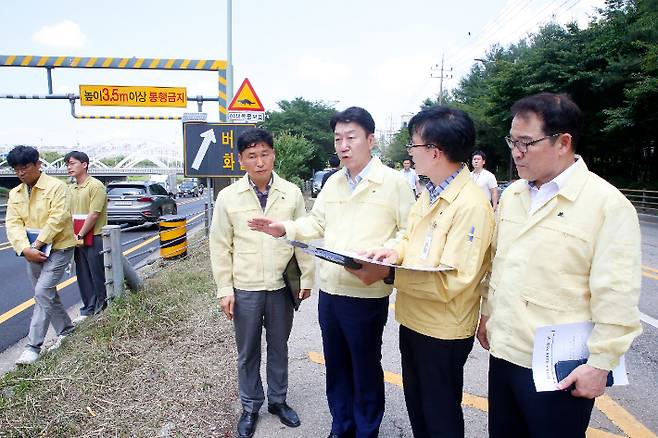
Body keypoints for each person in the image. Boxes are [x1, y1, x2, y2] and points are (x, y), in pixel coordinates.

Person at [477, 92, 642, 438]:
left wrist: (600, 364)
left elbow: (617, 295)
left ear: (563, 142)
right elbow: (499, 263)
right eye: (512, 141)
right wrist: (487, 314)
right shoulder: (514, 196)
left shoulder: (607, 205)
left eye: (526, 142)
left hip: (560, 369)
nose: (515, 152)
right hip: (505, 355)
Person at [248, 107, 414, 438]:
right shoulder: (334, 182)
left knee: (365, 366)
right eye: (338, 138)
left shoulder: (394, 183)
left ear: (371, 140)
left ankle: (366, 430)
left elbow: (410, 233)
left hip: (366, 292)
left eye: (351, 137)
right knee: (336, 366)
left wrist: (389, 255)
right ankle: (341, 427)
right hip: (332, 292)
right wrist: (284, 227)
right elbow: (316, 223)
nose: (343, 145)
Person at [357, 106, 494, 437]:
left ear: (434, 152)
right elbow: (409, 238)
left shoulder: (471, 205)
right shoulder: (430, 192)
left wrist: (388, 274)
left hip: (443, 330)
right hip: (415, 320)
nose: (410, 153)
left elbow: (454, 280)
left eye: (413, 146)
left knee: (440, 414)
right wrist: (390, 252)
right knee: (419, 407)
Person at [208, 128, 315, 438]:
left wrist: (305, 277)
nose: (259, 161)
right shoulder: (228, 197)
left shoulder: (291, 193)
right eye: (251, 156)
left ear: (273, 154)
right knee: (248, 351)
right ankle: (251, 405)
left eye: (265, 154)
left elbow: (301, 238)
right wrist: (224, 289)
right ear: (241, 160)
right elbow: (220, 245)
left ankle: (278, 401)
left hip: (281, 287)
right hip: (246, 287)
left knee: (279, 346)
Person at [5, 145, 76, 365]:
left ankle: (32, 347)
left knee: (42, 292)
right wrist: (24, 248)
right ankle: (66, 330)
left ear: (38, 165)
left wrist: (37, 244)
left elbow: (59, 217)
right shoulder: (15, 193)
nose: (20, 172)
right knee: (46, 294)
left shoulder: (57, 187)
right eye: (16, 168)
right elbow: (13, 223)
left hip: (59, 248)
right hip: (32, 252)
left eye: (25, 166)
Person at [65, 151, 108, 323]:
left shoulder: (95, 186)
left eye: (72, 163)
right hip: (77, 237)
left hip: (94, 236)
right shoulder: (71, 188)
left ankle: (101, 307)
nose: (69, 167)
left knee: (97, 273)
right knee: (83, 274)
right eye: (67, 164)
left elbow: (94, 214)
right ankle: (88, 308)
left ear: (84, 164)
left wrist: (80, 234)